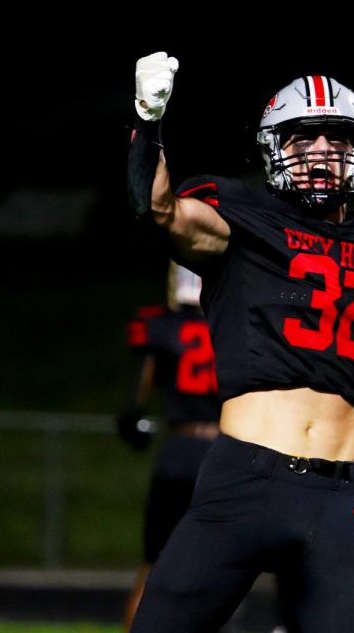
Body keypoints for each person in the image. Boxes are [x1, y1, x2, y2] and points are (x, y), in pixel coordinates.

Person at [126, 53, 354, 632]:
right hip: (243, 476)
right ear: (276, 147)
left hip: (339, 495)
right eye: (304, 137)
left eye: (337, 137)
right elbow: (158, 210)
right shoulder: (243, 215)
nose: (322, 151)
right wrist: (148, 123)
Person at [116, 262, 220, 631]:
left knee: (153, 563)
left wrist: (133, 421)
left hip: (180, 448)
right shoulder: (234, 323)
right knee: (219, 568)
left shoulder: (163, 325)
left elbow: (133, 410)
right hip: (223, 454)